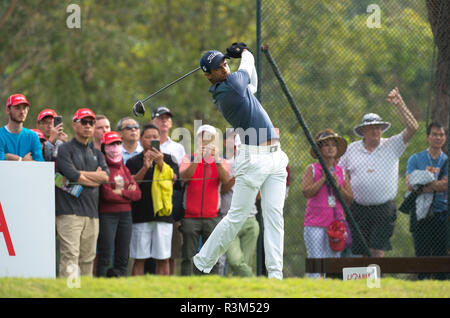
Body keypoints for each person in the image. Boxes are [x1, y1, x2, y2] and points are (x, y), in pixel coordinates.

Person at [192, 43, 289, 280]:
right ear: (208, 75)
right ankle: (202, 261)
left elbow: (252, 82)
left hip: (276, 156)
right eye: (218, 67)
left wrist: (247, 57)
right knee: (237, 216)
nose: (224, 69)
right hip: (253, 158)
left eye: (225, 64)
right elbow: (246, 68)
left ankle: (275, 276)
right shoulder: (230, 87)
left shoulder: (237, 86)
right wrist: (245, 53)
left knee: (274, 215)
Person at [339, 87, 418, 257]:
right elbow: (339, 171)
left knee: (377, 250)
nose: (376, 131)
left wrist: (399, 104)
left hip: (384, 208)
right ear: (363, 132)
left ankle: (375, 283)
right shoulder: (351, 149)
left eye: (378, 127)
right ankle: (364, 283)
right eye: (371, 128)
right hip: (358, 208)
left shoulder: (391, 145)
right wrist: (347, 196)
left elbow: (413, 128)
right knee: (362, 251)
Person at [55, 108, 109, 277]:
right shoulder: (65, 149)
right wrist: (93, 179)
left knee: (87, 259)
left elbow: (105, 177)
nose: (88, 126)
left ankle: (84, 293)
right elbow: (72, 175)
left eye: (91, 123)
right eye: (83, 122)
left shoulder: (98, 153)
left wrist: (82, 175)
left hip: (92, 214)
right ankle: (69, 293)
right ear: (74, 124)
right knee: (70, 256)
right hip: (69, 213)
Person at [126, 123, 179, 276]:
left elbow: (175, 179)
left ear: (160, 140)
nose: (151, 140)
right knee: (139, 258)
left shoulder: (169, 159)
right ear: (141, 140)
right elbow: (132, 183)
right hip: (141, 215)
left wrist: (161, 163)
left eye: (155, 137)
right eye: (148, 137)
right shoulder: (133, 161)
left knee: (163, 259)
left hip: (163, 215)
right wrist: (145, 167)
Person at [179, 124, 231, 276]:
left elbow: (226, 180)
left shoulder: (221, 161)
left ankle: (212, 286)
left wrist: (215, 160)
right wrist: (197, 158)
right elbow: (185, 177)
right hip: (190, 217)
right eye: (203, 138)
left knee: (212, 257)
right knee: (188, 256)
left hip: (212, 216)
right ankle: (186, 287)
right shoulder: (188, 158)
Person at [302, 129, 353, 278]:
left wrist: (338, 186)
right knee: (316, 262)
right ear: (319, 149)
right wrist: (324, 179)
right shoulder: (312, 169)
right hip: (314, 224)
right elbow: (306, 192)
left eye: (333, 145)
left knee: (332, 263)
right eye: (326, 145)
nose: (331, 148)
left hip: (335, 225)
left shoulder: (342, 172)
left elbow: (349, 198)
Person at [406, 122, 448, 280]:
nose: (438, 137)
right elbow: (410, 184)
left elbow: (446, 186)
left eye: (441, 135)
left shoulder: (447, 160)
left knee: (441, 256)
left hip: (442, 213)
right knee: (422, 255)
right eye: (435, 134)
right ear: (427, 137)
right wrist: (437, 185)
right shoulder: (416, 159)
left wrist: (422, 184)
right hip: (420, 214)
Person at [96, 131, 142, 277]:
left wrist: (122, 192)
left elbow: (137, 194)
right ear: (104, 147)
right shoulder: (101, 166)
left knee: (123, 254)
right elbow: (107, 195)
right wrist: (128, 193)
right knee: (106, 252)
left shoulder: (124, 168)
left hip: (125, 215)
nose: (115, 147)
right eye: (111, 144)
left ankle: (120, 282)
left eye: (117, 143)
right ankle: (100, 284)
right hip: (107, 215)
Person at [151, 106, 186, 275]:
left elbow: (180, 178)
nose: (164, 121)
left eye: (167, 118)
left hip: (170, 203)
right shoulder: (144, 144)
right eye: (160, 117)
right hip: (147, 202)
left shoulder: (178, 149)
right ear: (152, 121)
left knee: (169, 252)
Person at [220, 130, 259, 277]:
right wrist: (238, 175)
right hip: (230, 219)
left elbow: (258, 194)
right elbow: (222, 190)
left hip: (250, 219)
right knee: (235, 261)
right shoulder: (224, 164)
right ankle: (258, 283)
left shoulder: (253, 164)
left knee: (243, 264)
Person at [0, 94, 44, 161]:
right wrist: (24, 160)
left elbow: (40, 165)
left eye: (24, 108)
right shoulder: (1, 135)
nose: (22, 112)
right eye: (17, 108)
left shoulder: (33, 136)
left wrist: (17, 159)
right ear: (8, 110)